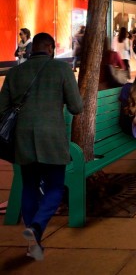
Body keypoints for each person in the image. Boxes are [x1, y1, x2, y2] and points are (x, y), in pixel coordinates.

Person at [0, 32, 83, 261]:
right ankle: (36, 227)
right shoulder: (62, 69)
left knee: (29, 186)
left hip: (23, 138)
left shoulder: (14, 73)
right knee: (55, 187)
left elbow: (1, 109)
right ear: (51, 48)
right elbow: (76, 107)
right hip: (52, 138)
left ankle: (33, 244)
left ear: (31, 48)